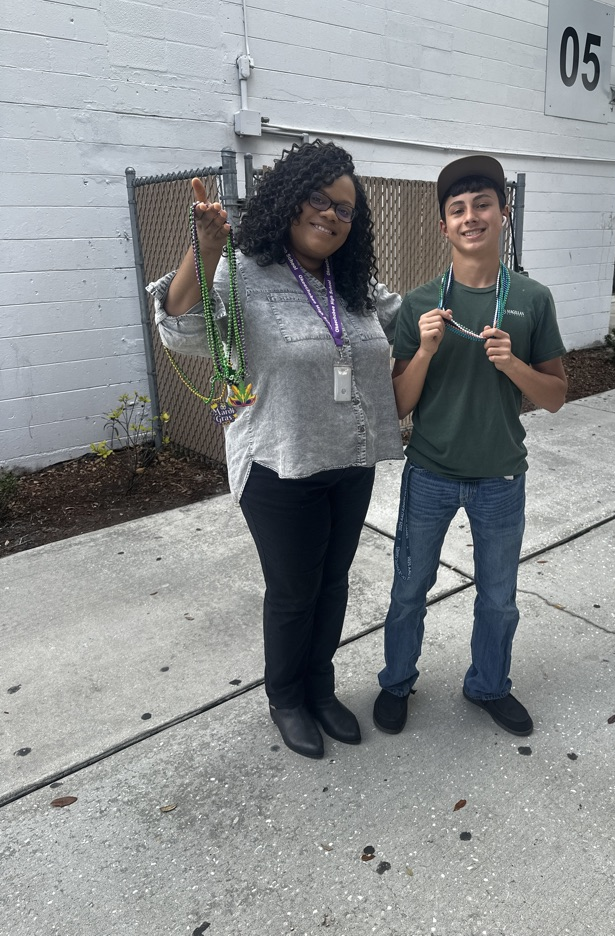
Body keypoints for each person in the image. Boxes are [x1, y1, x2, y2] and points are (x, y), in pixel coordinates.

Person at [148, 140, 404, 759]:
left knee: (333, 583)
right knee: (294, 592)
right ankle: (285, 698)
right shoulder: (241, 272)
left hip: (351, 460)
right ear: (289, 200)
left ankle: (320, 687)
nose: (331, 215)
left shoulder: (354, 284)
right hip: (279, 465)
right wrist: (205, 249)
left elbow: (397, 328)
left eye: (345, 209)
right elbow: (181, 327)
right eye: (319, 199)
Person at [373, 155, 568, 738]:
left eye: (483, 204)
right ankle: (396, 682)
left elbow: (556, 396)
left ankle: (488, 685)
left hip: (500, 477)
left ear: (503, 214)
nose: (470, 216)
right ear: (444, 227)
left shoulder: (532, 298)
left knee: (499, 599)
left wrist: (513, 366)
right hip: (429, 473)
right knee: (409, 589)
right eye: (457, 209)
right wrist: (425, 351)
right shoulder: (419, 304)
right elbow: (398, 405)